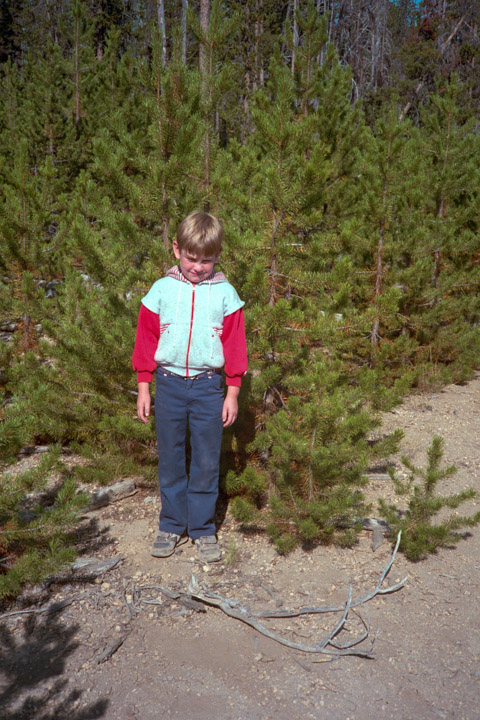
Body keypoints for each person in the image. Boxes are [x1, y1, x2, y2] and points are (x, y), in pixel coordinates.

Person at [132, 211, 247, 562]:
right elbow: (145, 340)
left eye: (207, 260)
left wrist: (232, 392)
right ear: (176, 249)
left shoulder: (226, 294)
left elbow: (235, 346)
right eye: (191, 258)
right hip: (167, 385)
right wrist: (143, 387)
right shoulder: (161, 290)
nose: (198, 267)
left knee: (207, 460)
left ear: (218, 256)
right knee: (169, 457)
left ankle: (202, 528)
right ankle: (171, 524)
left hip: (209, 387)